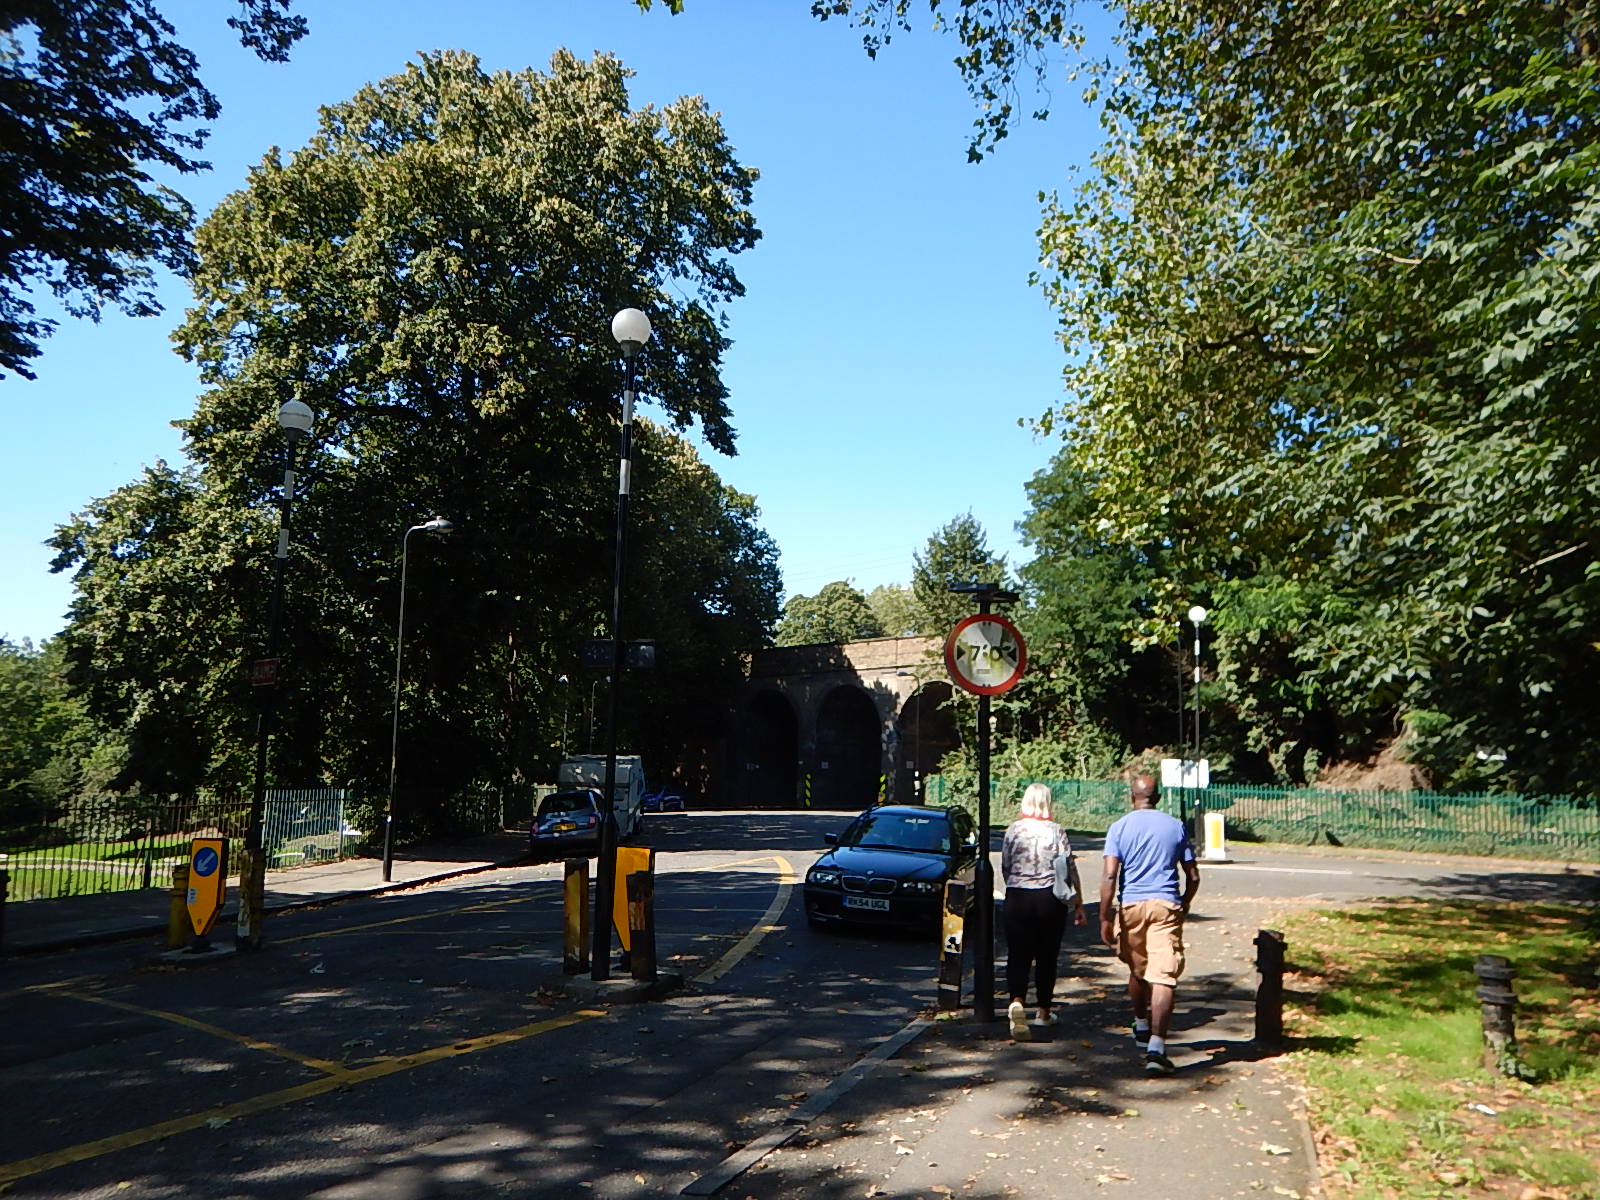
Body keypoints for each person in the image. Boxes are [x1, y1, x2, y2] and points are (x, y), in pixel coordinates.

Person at [1100, 773, 1201, 1074]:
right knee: (1164, 975)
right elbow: (1193, 875)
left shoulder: (1119, 827)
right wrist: (1185, 902)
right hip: (1165, 905)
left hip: (1131, 905)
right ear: (1157, 797)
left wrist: (1105, 916)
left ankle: (1141, 1023)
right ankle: (1157, 1047)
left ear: (1132, 796)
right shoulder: (1175, 826)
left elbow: (1109, 876)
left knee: (1138, 969)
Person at [1002, 782, 1087, 1041]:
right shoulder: (1056, 830)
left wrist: (1015, 884)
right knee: (1047, 956)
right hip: (1049, 898)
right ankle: (1043, 1011)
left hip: (1018, 896)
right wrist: (1078, 901)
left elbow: (1005, 865)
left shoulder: (1013, 830)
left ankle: (1017, 1001)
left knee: (1018, 953)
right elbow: (1068, 867)